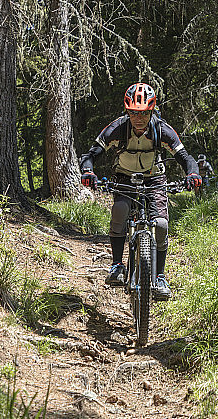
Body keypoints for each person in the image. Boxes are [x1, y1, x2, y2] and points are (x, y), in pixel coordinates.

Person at [79, 82, 202, 300]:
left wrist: (192, 174)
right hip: (124, 177)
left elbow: (186, 158)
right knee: (120, 210)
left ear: (152, 111)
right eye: (134, 113)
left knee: (161, 224)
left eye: (144, 113)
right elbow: (91, 154)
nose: (139, 118)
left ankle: (160, 277)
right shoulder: (117, 128)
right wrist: (88, 172)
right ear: (127, 111)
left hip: (154, 178)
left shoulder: (162, 130)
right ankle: (117, 265)